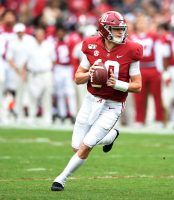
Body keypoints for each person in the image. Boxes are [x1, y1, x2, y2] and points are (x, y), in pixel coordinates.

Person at [51, 11, 143, 191]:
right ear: (104, 30)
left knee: (86, 146)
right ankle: (111, 136)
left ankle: (61, 179)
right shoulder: (91, 45)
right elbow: (78, 78)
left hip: (113, 105)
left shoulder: (132, 49)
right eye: (116, 30)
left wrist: (118, 84)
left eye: (121, 29)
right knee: (76, 146)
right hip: (91, 100)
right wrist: (89, 73)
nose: (120, 33)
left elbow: (137, 86)